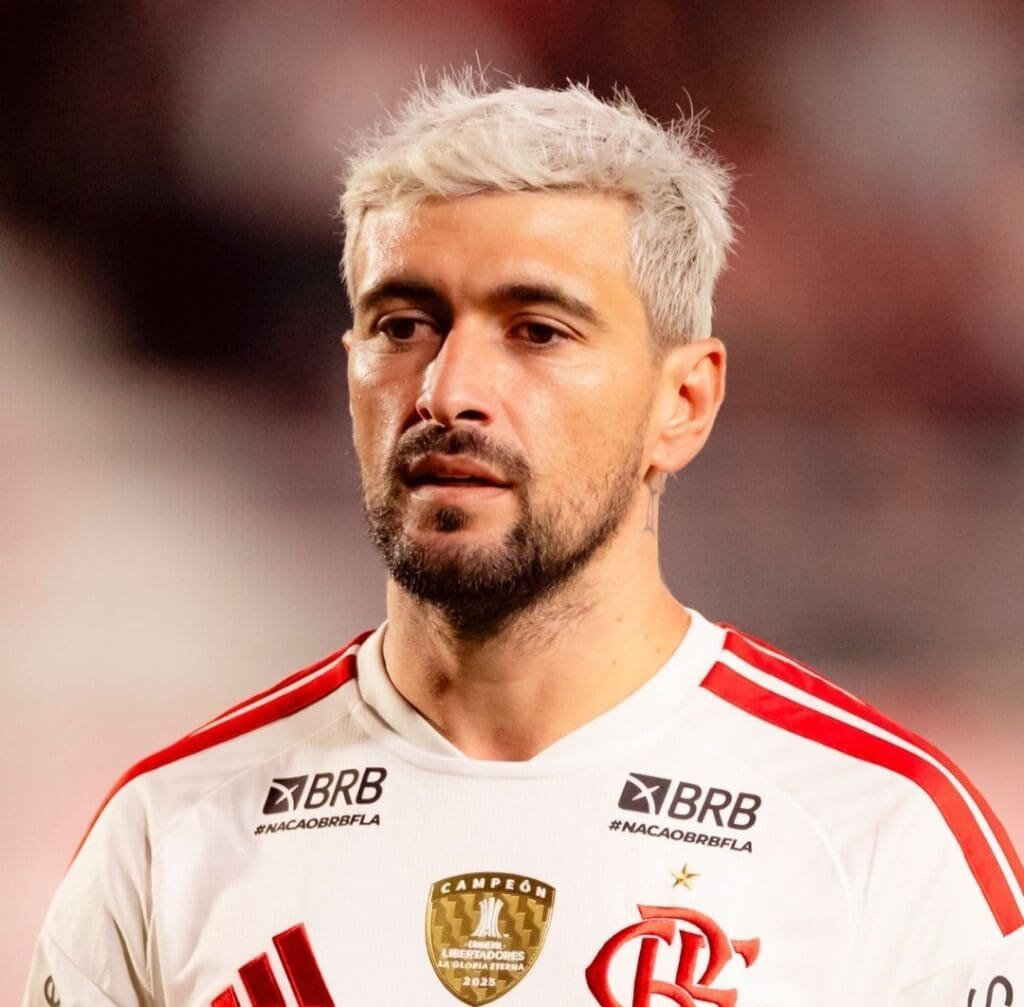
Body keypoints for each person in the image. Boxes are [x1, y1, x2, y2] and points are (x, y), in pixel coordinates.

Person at [24, 70, 1023, 1007]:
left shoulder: (883, 837)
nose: (447, 391)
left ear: (682, 401)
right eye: (403, 325)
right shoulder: (170, 831)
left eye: (537, 329)